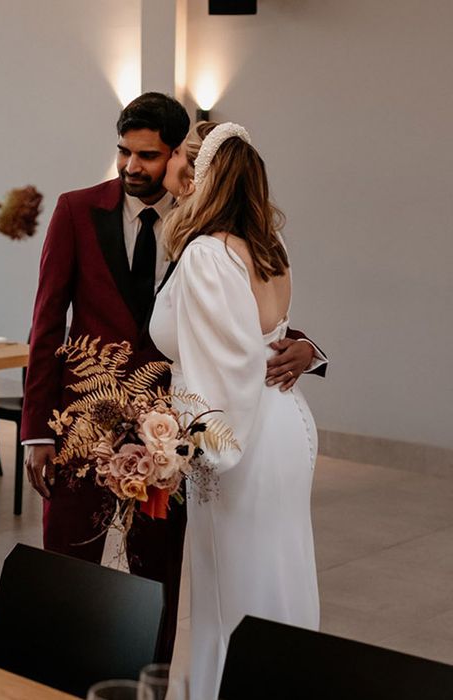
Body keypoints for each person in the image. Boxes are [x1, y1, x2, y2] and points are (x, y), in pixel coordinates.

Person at [21, 94, 324, 662]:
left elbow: (239, 326)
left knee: (160, 569)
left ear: (183, 163)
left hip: (182, 432)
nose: (132, 166)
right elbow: (45, 325)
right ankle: (53, 671)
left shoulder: (203, 236)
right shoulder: (76, 210)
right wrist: (38, 429)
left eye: (150, 155)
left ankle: (151, 675)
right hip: (85, 420)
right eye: (123, 152)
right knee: (65, 561)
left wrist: (306, 346)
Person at [149, 121, 321, 698]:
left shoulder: (205, 255)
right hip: (285, 426)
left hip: (237, 442)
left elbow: (219, 372)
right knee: (279, 572)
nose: (179, 180)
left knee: (229, 590)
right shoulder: (272, 247)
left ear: (208, 179)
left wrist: (184, 451)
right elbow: (262, 345)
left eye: (186, 170)